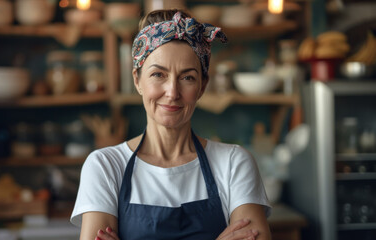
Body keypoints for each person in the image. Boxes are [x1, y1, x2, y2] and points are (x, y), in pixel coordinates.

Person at [71, 9, 272, 240]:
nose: (172, 92)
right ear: (138, 80)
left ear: (202, 86)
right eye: (158, 75)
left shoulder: (234, 164)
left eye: (187, 77)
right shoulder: (105, 167)